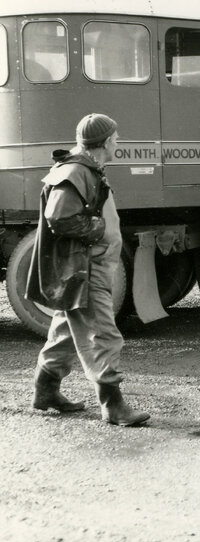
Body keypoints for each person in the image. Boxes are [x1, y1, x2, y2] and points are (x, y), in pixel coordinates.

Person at [25, 114, 150, 427]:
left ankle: (46, 392)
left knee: (65, 333)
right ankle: (114, 405)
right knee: (103, 334)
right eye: (116, 138)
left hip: (89, 265)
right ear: (106, 141)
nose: (118, 142)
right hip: (86, 268)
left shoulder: (85, 168)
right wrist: (98, 230)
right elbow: (59, 217)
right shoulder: (77, 170)